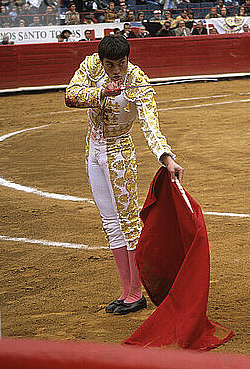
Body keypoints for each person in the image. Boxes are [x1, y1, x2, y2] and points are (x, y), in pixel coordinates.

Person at [65, 35, 183, 316]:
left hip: (119, 153)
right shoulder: (91, 66)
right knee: (109, 222)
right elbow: (69, 96)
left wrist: (166, 158)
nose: (116, 70)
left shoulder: (138, 81)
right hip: (93, 149)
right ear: (101, 60)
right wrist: (100, 93)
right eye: (110, 64)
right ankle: (125, 290)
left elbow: (150, 124)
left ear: (128, 59)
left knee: (129, 223)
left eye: (121, 63)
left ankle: (136, 293)